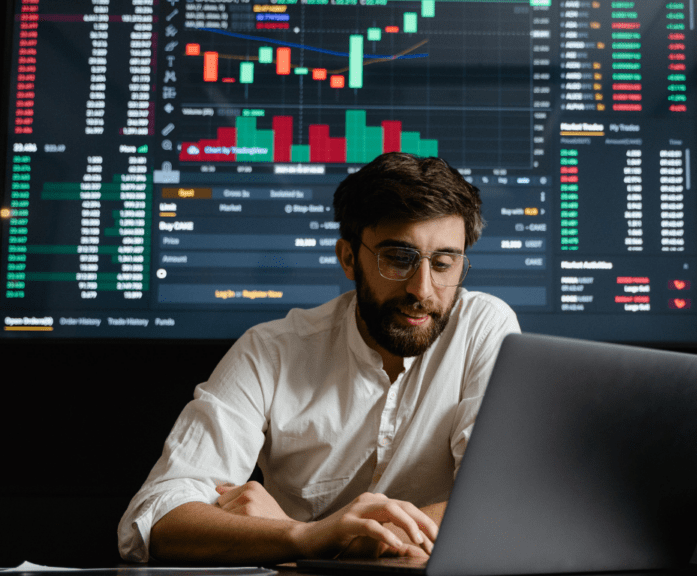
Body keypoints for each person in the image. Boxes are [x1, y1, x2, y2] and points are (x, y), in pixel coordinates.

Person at [117, 152, 520, 564]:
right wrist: (304, 537)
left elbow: (502, 499)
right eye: (398, 258)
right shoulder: (268, 351)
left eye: (443, 263)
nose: (423, 288)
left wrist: (318, 541)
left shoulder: (484, 327)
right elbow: (156, 518)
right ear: (348, 258)